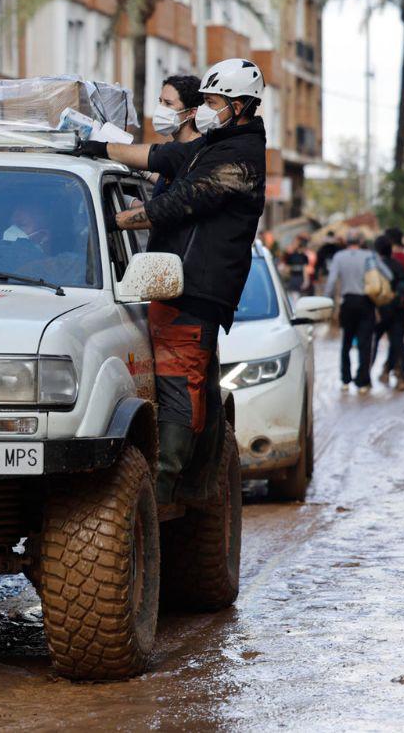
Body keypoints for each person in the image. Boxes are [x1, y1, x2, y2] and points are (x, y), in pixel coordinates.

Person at [77, 58, 268, 503]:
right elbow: (160, 157)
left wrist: (112, 220)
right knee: (188, 385)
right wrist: (96, 149)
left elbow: (183, 201)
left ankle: (167, 495)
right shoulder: (215, 144)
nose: (205, 108)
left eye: (212, 101)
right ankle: (193, 488)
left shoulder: (239, 159)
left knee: (181, 387)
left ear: (239, 106)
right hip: (173, 285)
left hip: (194, 290)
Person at [324, 229, 387, 393]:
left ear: (346, 242)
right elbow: (386, 274)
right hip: (366, 302)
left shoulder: (339, 257)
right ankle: (362, 382)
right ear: (360, 242)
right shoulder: (369, 255)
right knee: (365, 343)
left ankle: (345, 380)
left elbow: (331, 282)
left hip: (348, 303)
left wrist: (326, 302)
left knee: (346, 341)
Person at [148, 74, 205, 197]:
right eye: (160, 101)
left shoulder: (198, 154)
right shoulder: (176, 146)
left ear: (191, 112)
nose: (160, 109)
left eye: (168, 104)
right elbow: (170, 183)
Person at [373, 234, 404, 389]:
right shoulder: (399, 264)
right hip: (399, 310)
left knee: (371, 342)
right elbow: (403, 283)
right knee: (397, 341)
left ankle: (365, 379)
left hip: (380, 311)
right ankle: (399, 376)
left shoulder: (374, 266)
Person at [280, 235, 313, 302]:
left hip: (295, 279)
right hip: (297, 279)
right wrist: (306, 281)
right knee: (298, 299)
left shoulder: (292, 256)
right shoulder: (301, 256)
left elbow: (287, 269)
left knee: (296, 298)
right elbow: (304, 269)